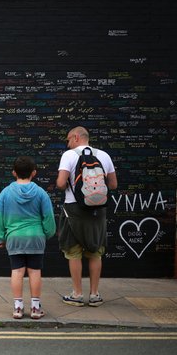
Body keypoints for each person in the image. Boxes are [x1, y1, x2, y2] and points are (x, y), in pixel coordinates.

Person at [56, 126, 118, 307]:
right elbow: (113, 185)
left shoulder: (69, 156)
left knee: (73, 251)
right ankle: (95, 295)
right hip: (98, 210)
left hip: (73, 209)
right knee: (95, 251)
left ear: (76, 137)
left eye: (68, 140)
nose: (67, 144)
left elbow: (61, 183)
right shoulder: (104, 156)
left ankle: (77, 294)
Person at [0, 156, 56, 319]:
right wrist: (47, 233)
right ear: (34, 173)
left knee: (17, 271)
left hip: (14, 237)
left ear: (14, 173)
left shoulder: (5, 193)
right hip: (36, 237)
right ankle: (35, 308)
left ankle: (18, 307)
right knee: (35, 272)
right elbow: (49, 217)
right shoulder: (41, 193)